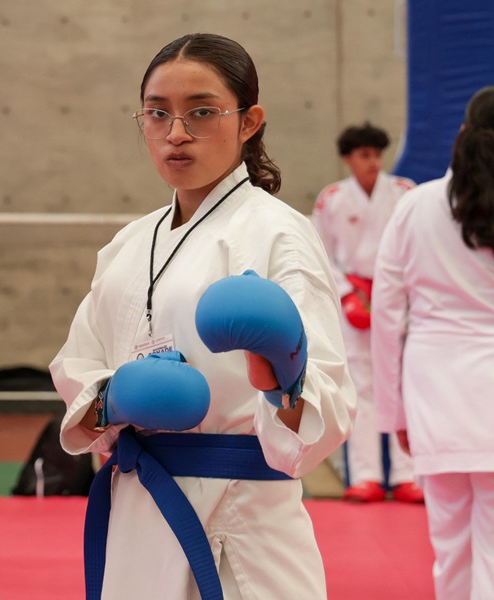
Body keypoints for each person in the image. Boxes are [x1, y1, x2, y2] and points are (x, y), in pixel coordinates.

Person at [50, 33, 356, 599]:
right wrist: (110, 401)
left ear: (249, 122)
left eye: (202, 113)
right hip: (138, 503)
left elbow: (327, 411)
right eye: (157, 114)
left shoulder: (279, 234)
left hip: (239, 517)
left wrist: (285, 378)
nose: (176, 132)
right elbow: (78, 360)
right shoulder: (128, 243)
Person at [372, 86, 494, 599]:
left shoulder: (415, 205)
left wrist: (391, 410)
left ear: (463, 134)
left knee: (450, 546)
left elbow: (385, 314)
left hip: (434, 387)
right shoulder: (417, 204)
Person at [311, 123, 424, 503]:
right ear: (348, 159)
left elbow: (419, 247)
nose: (373, 161)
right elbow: (320, 253)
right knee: (360, 387)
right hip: (355, 295)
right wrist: (346, 294)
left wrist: (403, 290)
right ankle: (366, 476)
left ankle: (409, 475)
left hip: (397, 294)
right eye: (364, 155)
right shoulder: (332, 199)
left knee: (403, 381)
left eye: (377, 154)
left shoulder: (405, 192)